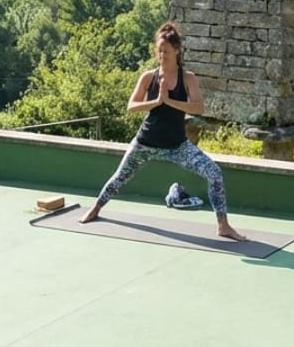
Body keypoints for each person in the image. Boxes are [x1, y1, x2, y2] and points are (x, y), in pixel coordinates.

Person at [79, 22, 246, 241]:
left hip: (177, 146)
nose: (161, 55)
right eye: (159, 51)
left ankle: (223, 226)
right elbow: (131, 106)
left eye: (166, 51)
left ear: (177, 50)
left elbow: (198, 108)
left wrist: (170, 101)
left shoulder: (188, 78)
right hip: (145, 143)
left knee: (214, 173)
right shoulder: (149, 77)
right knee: (119, 177)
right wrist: (157, 101)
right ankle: (95, 209)